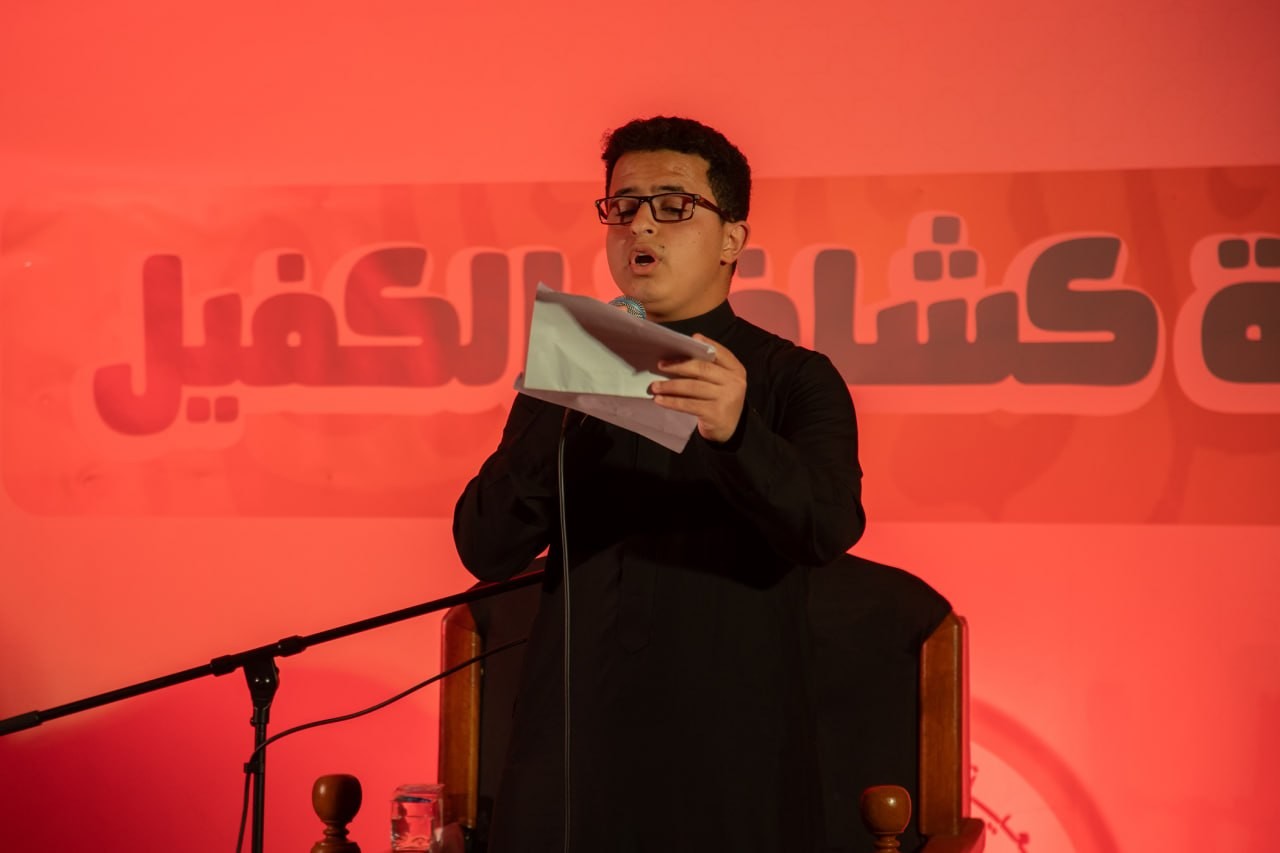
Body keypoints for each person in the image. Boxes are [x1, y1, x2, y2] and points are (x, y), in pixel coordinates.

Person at [452, 116, 866, 852]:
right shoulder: (573, 365)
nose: (640, 224)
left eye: (673, 205)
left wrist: (738, 435)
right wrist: (560, 406)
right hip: (572, 756)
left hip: (729, 764)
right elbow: (484, 546)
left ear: (732, 238)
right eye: (623, 205)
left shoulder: (794, 378)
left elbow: (828, 527)